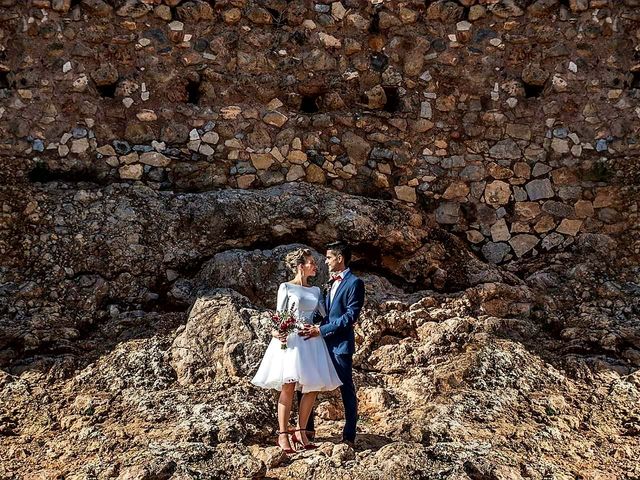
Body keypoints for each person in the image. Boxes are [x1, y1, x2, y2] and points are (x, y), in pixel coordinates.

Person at [251, 248, 342, 453]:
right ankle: (283, 435)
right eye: (311, 262)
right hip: (291, 340)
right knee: (288, 386)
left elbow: (324, 313)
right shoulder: (286, 287)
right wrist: (276, 332)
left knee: (313, 386)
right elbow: (279, 315)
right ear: (301, 266)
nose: (315, 266)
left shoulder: (316, 291)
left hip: (310, 339)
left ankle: (301, 431)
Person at [299, 241, 365, 448]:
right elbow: (323, 313)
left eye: (328, 257)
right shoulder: (328, 283)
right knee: (306, 383)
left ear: (340, 258)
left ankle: (349, 436)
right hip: (319, 343)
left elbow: (350, 317)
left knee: (346, 388)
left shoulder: (355, 283)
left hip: (339, 345)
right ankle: (307, 430)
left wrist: (322, 330)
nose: (325, 261)